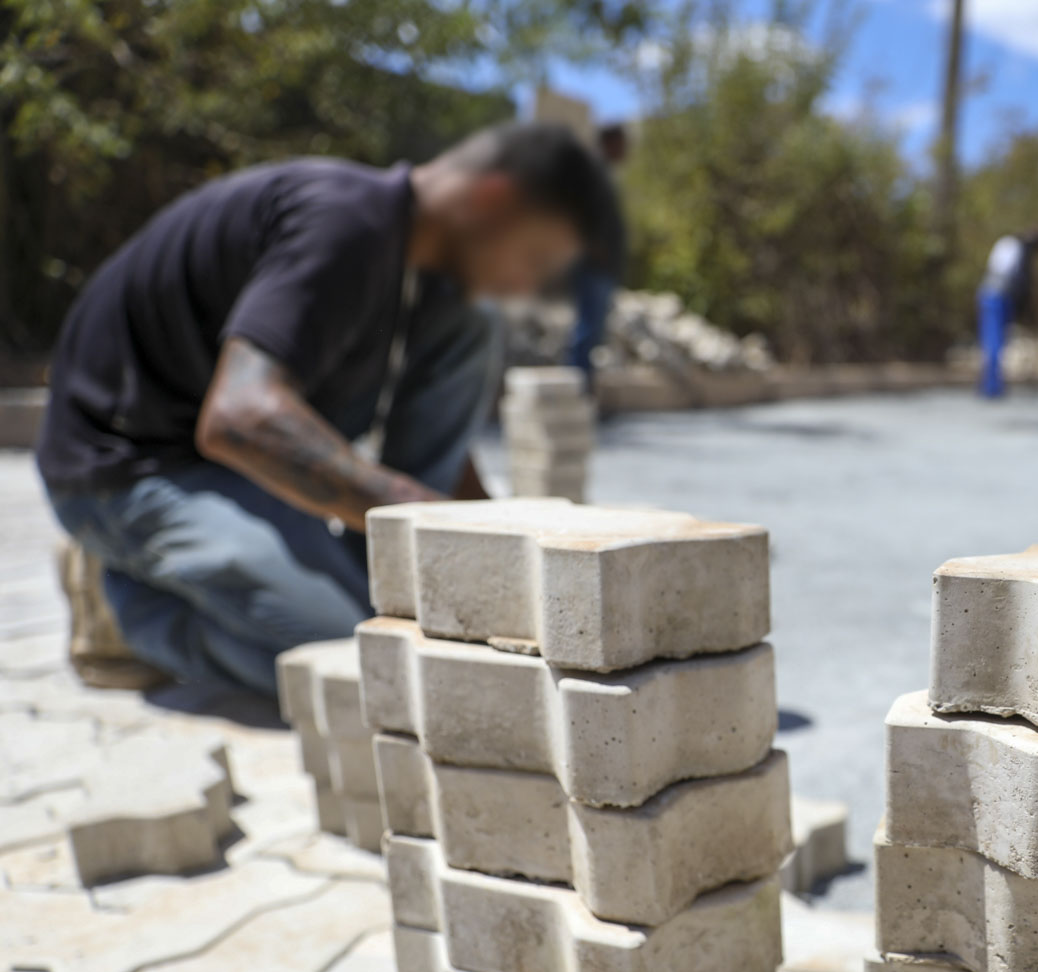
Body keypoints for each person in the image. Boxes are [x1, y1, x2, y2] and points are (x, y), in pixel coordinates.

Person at [36, 122, 622, 697]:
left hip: (233, 460)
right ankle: (129, 611)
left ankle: (393, 566)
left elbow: (438, 447)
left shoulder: (414, 269)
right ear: (497, 198)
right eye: (536, 257)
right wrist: (434, 522)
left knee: (472, 320)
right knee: (367, 661)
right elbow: (240, 419)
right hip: (127, 469)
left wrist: (506, 558)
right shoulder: (347, 221)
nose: (523, 283)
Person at [565, 123, 629, 387]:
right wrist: (596, 249)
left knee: (592, 332)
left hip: (601, 267)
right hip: (593, 267)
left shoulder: (600, 173)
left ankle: (581, 391)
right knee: (587, 330)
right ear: (609, 142)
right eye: (622, 143)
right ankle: (576, 391)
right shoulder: (592, 173)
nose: (626, 150)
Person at [977, 226, 1038, 398]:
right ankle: (991, 386)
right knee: (993, 342)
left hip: (1001, 298)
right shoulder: (1011, 245)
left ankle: (993, 385)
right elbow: (1006, 276)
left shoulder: (1019, 249)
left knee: (999, 343)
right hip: (995, 297)